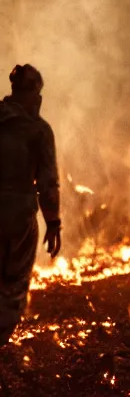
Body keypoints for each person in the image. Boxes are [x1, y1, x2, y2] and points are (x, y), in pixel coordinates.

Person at [0, 64, 61, 344]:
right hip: (19, 217)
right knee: (13, 283)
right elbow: (47, 185)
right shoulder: (38, 131)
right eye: (38, 93)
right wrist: (53, 223)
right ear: (34, 93)